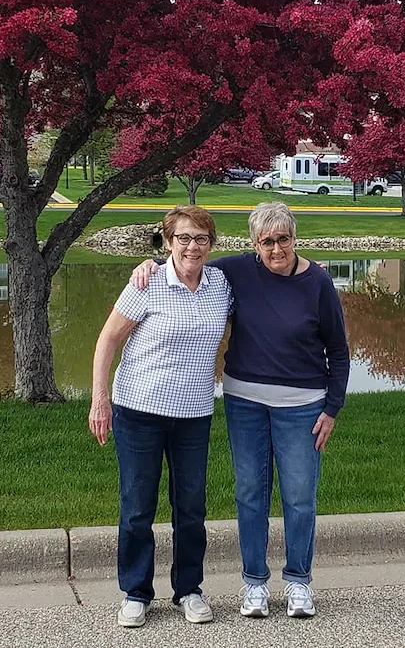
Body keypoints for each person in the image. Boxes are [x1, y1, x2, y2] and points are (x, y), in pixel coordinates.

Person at [132, 200, 349, 620]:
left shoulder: (318, 282)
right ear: (253, 243)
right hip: (245, 402)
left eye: (282, 239)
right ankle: (254, 584)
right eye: (266, 241)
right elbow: (186, 260)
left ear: (294, 238)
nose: (275, 249)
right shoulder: (234, 272)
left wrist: (332, 408)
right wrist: (150, 264)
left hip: (303, 407)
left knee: (300, 497)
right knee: (250, 494)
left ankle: (299, 583)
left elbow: (338, 352)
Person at [91, 206, 232, 628]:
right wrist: (101, 401)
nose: (193, 246)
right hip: (139, 412)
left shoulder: (220, 283)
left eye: (201, 238)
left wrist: (308, 265)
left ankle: (188, 589)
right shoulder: (147, 282)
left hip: (193, 413)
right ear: (167, 242)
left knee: (191, 507)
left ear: (211, 244)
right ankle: (136, 592)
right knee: (138, 506)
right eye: (184, 238)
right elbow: (107, 341)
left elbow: (263, 266)